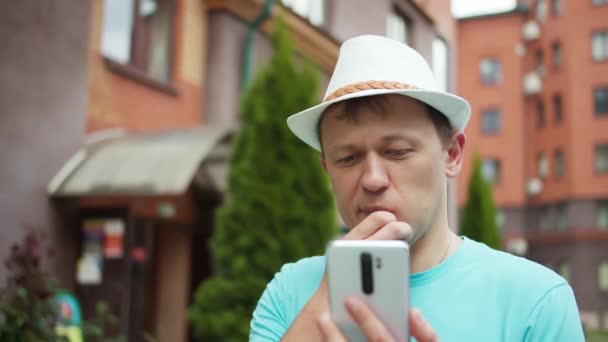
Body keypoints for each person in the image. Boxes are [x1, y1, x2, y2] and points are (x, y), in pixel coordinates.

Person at [249, 35, 584, 341]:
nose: (373, 178)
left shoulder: (537, 301)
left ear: (451, 154)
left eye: (397, 152)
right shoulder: (290, 292)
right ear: (327, 169)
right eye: (348, 158)